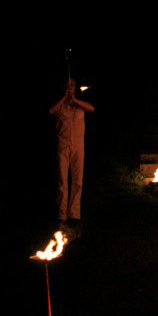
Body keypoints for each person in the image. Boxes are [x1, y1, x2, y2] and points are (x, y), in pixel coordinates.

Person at [49, 79, 95, 227]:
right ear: (64, 87)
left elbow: (92, 109)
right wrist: (64, 97)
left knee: (77, 180)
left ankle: (74, 213)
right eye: (68, 85)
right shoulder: (60, 105)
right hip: (62, 145)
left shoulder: (79, 105)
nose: (70, 87)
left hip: (78, 146)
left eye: (73, 85)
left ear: (75, 87)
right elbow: (50, 111)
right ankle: (61, 213)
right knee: (62, 179)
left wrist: (73, 99)